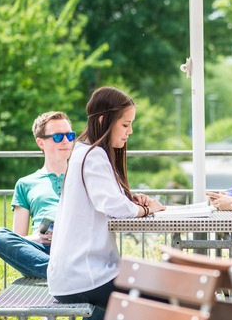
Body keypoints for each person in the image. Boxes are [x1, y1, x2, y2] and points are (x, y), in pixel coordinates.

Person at [47, 86, 165, 320]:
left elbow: (110, 199)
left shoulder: (83, 152)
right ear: (103, 120)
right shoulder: (93, 155)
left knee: (157, 288)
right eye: (125, 124)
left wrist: (130, 200)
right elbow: (113, 207)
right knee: (167, 296)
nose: (130, 131)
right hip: (85, 277)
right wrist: (145, 209)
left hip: (73, 275)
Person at [0, 111, 75, 279]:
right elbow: (19, 238)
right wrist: (40, 237)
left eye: (70, 135)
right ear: (40, 142)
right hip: (42, 251)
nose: (66, 141)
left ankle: (59, 274)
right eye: (58, 137)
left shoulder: (83, 177)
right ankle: (60, 273)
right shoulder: (25, 183)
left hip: (75, 245)